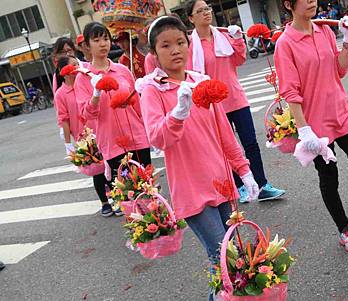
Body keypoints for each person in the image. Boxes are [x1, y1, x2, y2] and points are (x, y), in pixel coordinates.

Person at [137, 16, 259, 301]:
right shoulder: (152, 90)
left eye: (180, 42)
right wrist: (177, 114)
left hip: (222, 182)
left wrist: (245, 171)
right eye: (165, 45)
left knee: (234, 258)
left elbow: (224, 134)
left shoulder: (201, 82)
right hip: (192, 190)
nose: (175, 50)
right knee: (222, 258)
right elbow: (157, 137)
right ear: (154, 54)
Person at [274, 0, 348, 253]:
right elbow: (290, 91)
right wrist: (304, 130)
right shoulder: (285, 43)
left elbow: (340, 70)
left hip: (342, 111)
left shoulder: (324, 30)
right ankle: (343, 229)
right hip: (315, 121)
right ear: (288, 4)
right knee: (329, 176)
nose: (312, 1)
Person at [186, 0, 285, 203]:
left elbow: (239, 60)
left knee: (250, 143)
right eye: (200, 10)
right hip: (212, 106)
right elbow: (189, 75)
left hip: (236, 98)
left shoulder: (222, 36)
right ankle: (239, 187)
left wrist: (238, 38)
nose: (206, 13)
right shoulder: (189, 45)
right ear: (191, 18)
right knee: (225, 149)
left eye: (208, 8)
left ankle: (262, 184)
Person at [74, 22, 151, 181]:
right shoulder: (83, 78)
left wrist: (149, 128)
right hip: (111, 143)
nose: (103, 44)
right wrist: (95, 94)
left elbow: (138, 105)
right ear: (87, 45)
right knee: (128, 194)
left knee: (148, 188)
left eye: (105, 39)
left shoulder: (122, 70)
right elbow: (87, 114)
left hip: (137, 137)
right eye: (96, 40)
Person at [54, 55, 116, 217]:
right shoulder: (61, 94)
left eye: (78, 63)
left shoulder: (86, 81)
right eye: (73, 65)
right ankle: (104, 202)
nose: (78, 66)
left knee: (109, 166)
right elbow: (64, 120)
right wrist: (68, 144)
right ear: (64, 72)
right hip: (84, 137)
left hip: (100, 129)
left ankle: (116, 198)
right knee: (97, 171)